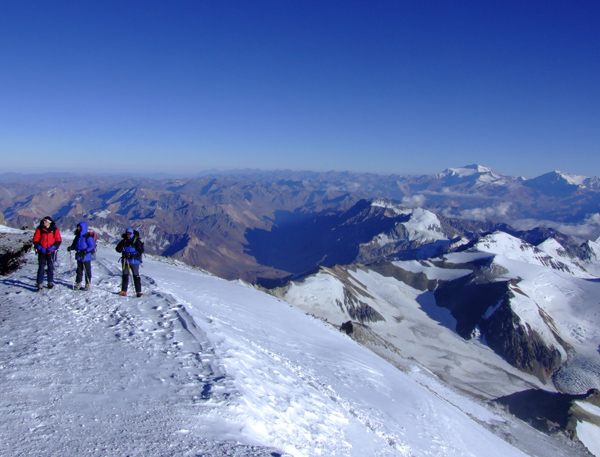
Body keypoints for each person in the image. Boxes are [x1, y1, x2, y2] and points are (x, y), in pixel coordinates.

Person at [32, 216, 62, 290]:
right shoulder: (40, 229)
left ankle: (50, 282)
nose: (44, 222)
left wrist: (53, 247)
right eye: (43, 221)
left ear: (49, 222)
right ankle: (39, 283)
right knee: (41, 267)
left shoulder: (54, 229)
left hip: (50, 251)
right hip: (42, 251)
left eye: (45, 221)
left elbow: (58, 240)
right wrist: (39, 247)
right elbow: (35, 239)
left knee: (50, 267)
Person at [115, 227, 144, 297]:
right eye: (126, 233)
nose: (127, 235)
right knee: (125, 275)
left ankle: (138, 292)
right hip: (126, 261)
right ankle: (124, 291)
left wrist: (132, 254)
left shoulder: (136, 241)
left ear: (132, 234)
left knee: (135, 275)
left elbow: (140, 251)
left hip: (133, 261)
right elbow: (118, 249)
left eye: (129, 233)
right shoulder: (124, 241)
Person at [67, 221, 95, 290]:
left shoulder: (87, 237)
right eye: (77, 227)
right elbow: (74, 245)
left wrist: (85, 251)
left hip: (86, 256)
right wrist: (71, 247)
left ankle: (87, 283)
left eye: (79, 227)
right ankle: (78, 283)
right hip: (79, 255)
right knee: (79, 270)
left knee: (87, 270)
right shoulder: (77, 236)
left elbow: (92, 246)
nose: (78, 228)